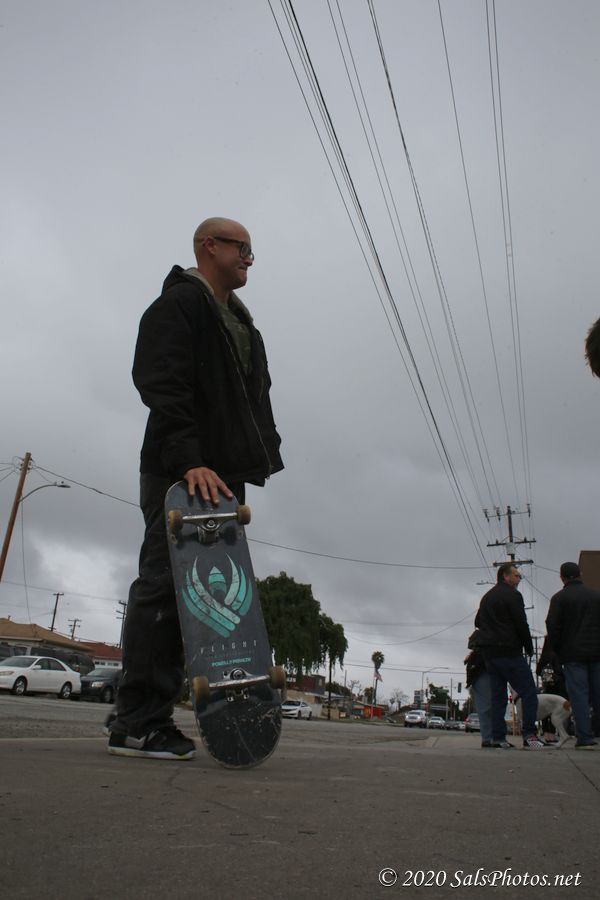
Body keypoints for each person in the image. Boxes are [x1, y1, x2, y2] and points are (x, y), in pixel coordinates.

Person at [107, 217, 284, 760]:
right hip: (181, 473)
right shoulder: (180, 304)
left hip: (221, 476)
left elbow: (250, 400)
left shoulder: (241, 322)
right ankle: (138, 722)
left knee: (211, 599)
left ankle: (168, 710)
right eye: (243, 247)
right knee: (166, 587)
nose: (250, 258)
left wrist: (250, 461)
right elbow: (161, 382)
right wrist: (189, 461)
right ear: (210, 246)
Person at [475, 563, 547, 750]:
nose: (519, 578)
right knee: (529, 692)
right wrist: (529, 647)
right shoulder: (513, 595)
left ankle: (498, 738)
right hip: (509, 651)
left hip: (490, 654)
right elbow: (521, 623)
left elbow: (478, 621)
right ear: (505, 577)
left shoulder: (487, 597)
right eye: (516, 575)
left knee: (498, 697)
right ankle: (529, 736)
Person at [545, 562, 600, 750]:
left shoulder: (559, 599)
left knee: (579, 696)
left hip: (572, 655)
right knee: (598, 693)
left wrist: (558, 651)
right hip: (597, 653)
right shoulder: (596, 596)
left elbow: (552, 627)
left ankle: (585, 737)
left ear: (562, 577)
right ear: (580, 574)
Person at [464, 630, 493, 748]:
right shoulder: (481, 652)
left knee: (486, 708)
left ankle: (489, 738)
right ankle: (490, 738)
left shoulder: (475, 656)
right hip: (484, 672)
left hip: (479, 676)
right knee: (488, 707)